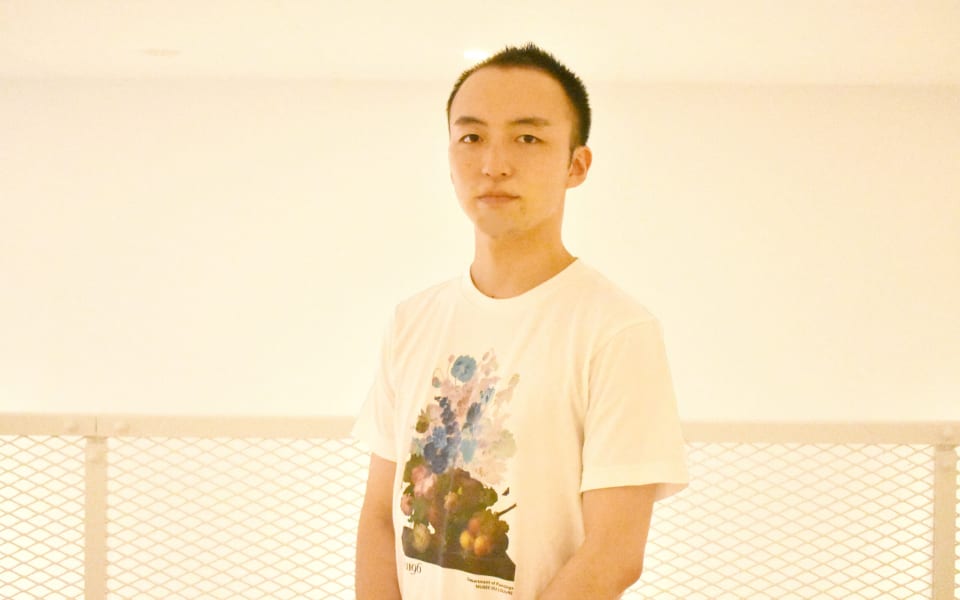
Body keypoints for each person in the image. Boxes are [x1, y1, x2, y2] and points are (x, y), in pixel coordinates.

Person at [352, 43, 689, 599]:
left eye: (527, 138)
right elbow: (380, 519)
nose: (494, 164)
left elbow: (614, 553)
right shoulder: (411, 321)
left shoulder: (616, 331)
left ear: (576, 165)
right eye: (472, 137)